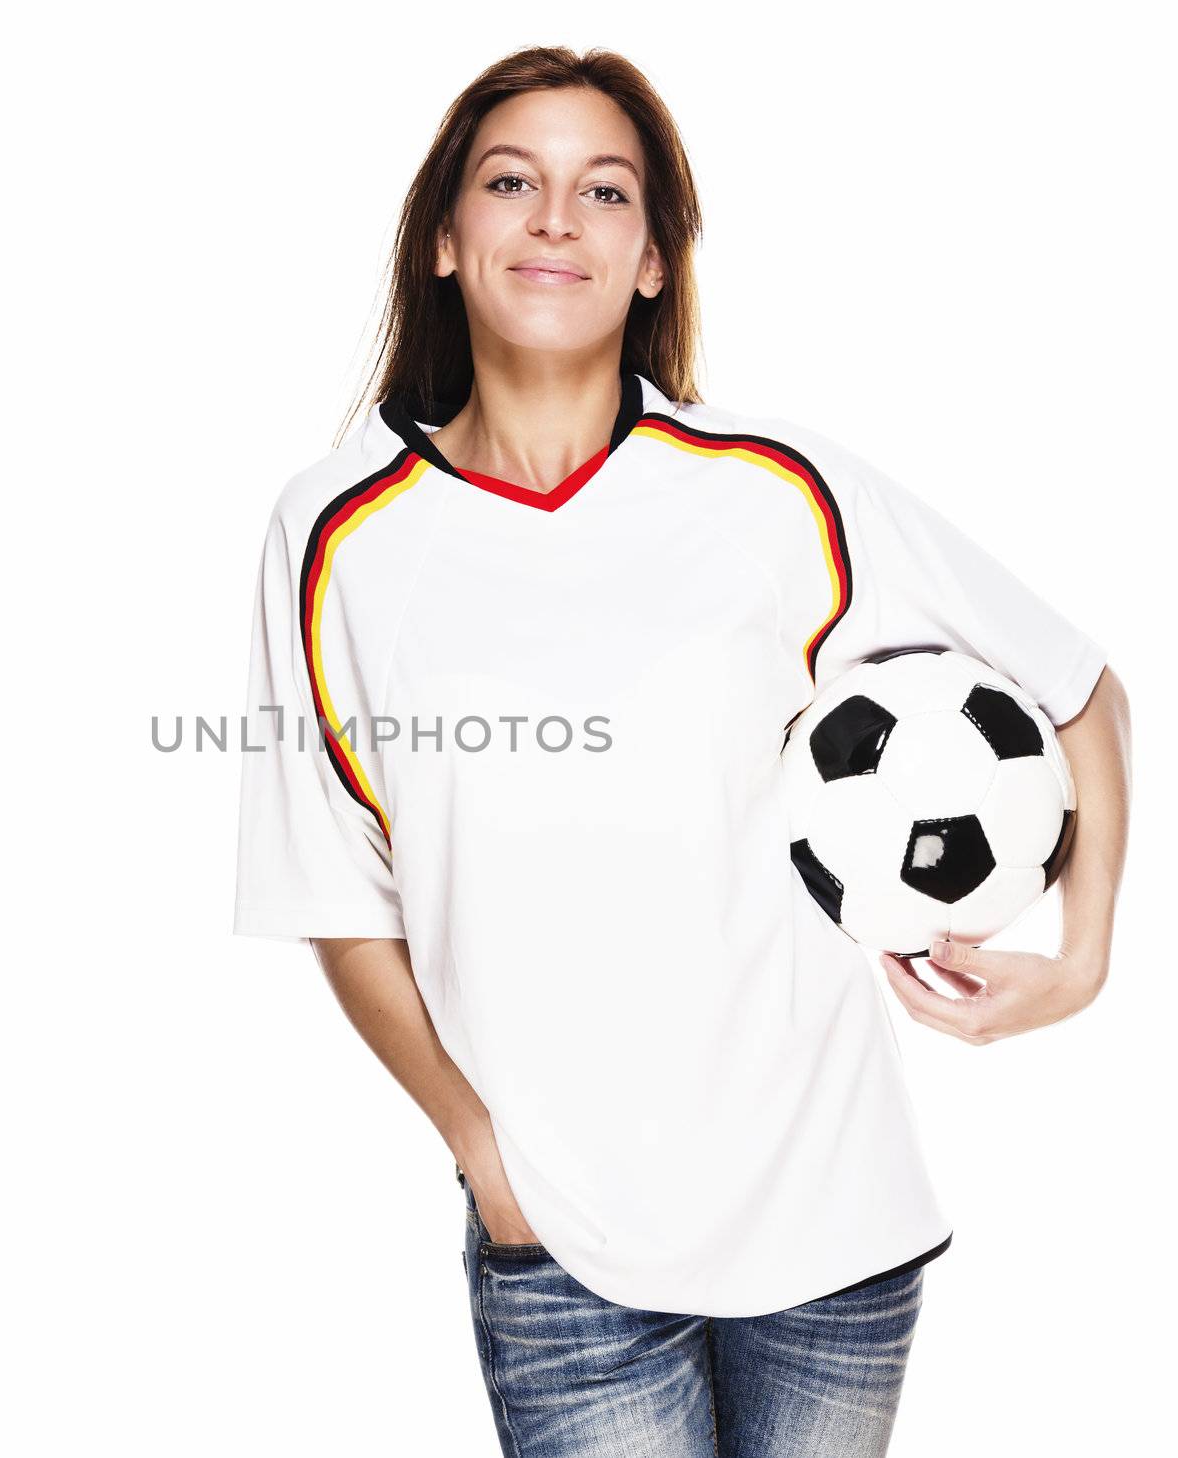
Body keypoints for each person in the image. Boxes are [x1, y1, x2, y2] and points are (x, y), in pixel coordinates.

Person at [231, 45, 1130, 1458]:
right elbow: (343, 899)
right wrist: (483, 1151)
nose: (554, 219)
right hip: (563, 1240)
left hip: (831, 1217)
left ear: (651, 258)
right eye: (510, 181)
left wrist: (1080, 958)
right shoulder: (338, 531)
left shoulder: (775, 485)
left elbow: (1079, 688)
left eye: (604, 190)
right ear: (448, 242)